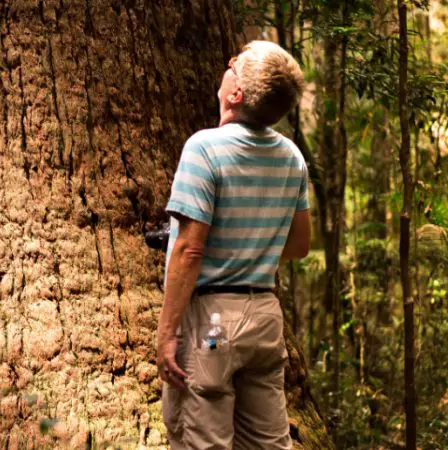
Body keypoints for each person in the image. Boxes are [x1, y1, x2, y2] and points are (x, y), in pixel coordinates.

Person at [156, 41, 310, 449]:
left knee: (202, 439)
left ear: (235, 93)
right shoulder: (292, 158)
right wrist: (251, 246)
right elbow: (298, 245)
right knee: (267, 442)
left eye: (234, 64)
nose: (228, 66)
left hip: (213, 326)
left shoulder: (204, 148)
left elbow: (189, 250)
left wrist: (167, 334)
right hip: (263, 318)